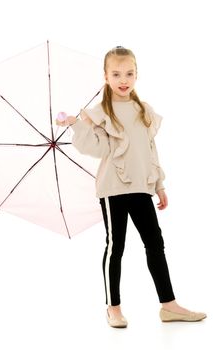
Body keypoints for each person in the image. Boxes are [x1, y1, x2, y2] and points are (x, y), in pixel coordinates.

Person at [56, 46, 206, 328]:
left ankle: (169, 305)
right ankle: (113, 307)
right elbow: (97, 148)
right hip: (113, 189)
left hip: (140, 186)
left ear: (136, 75)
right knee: (116, 246)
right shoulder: (99, 113)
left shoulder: (142, 110)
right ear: (105, 76)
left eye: (129, 73)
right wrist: (77, 125)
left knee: (155, 244)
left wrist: (159, 184)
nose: (123, 79)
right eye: (116, 74)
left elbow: (150, 149)